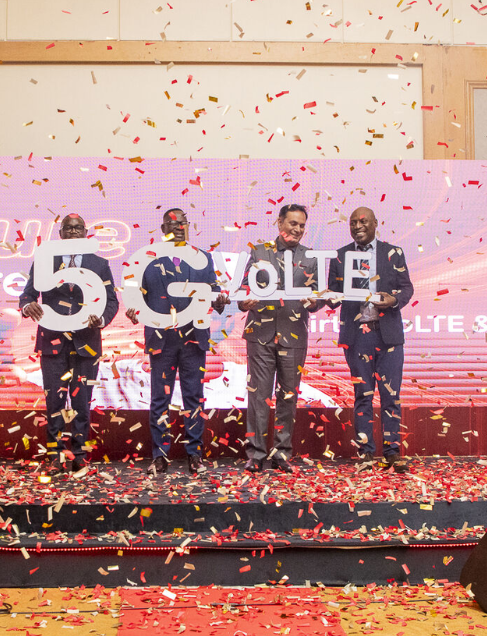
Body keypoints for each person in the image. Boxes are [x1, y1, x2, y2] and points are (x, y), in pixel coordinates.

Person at [126, 208, 229, 476]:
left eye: (182, 223)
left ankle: (194, 454)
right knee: (160, 398)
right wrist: (134, 309)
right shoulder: (146, 260)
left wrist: (219, 299)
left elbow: (213, 289)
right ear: (163, 230)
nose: (178, 227)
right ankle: (160, 456)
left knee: (193, 398)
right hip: (162, 339)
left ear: (188, 226)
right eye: (172, 224)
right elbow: (136, 296)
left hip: (194, 338)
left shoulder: (202, 258)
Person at [19, 214, 119, 472]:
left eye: (78, 229)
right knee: (54, 404)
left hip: (86, 344)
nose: (73, 232)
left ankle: (78, 455)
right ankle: (54, 456)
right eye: (68, 229)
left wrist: (102, 319)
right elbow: (28, 295)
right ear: (60, 233)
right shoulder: (44, 261)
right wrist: (27, 305)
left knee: (81, 403)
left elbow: (111, 301)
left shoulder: (99, 264)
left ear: (86, 233)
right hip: (52, 343)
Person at [326, 206, 415, 472]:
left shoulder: (393, 252)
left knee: (391, 395)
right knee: (362, 395)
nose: (357, 226)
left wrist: (395, 300)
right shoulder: (340, 256)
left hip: (387, 333)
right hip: (357, 336)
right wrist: (327, 298)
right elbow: (332, 291)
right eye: (353, 222)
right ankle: (366, 452)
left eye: (363, 221)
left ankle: (392, 452)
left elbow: (407, 287)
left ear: (376, 223)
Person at [238, 204, 324, 473]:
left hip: (294, 335)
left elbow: (319, 295)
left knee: (288, 397)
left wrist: (315, 303)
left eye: (301, 225)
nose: (297, 229)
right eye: (292, 224)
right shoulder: (259, 251)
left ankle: (282, 453)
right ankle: (256, 454)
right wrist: (245, 302)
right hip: (260, 336)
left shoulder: (312, 257)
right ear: (279, 223)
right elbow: (242, 290)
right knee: (258, 397)